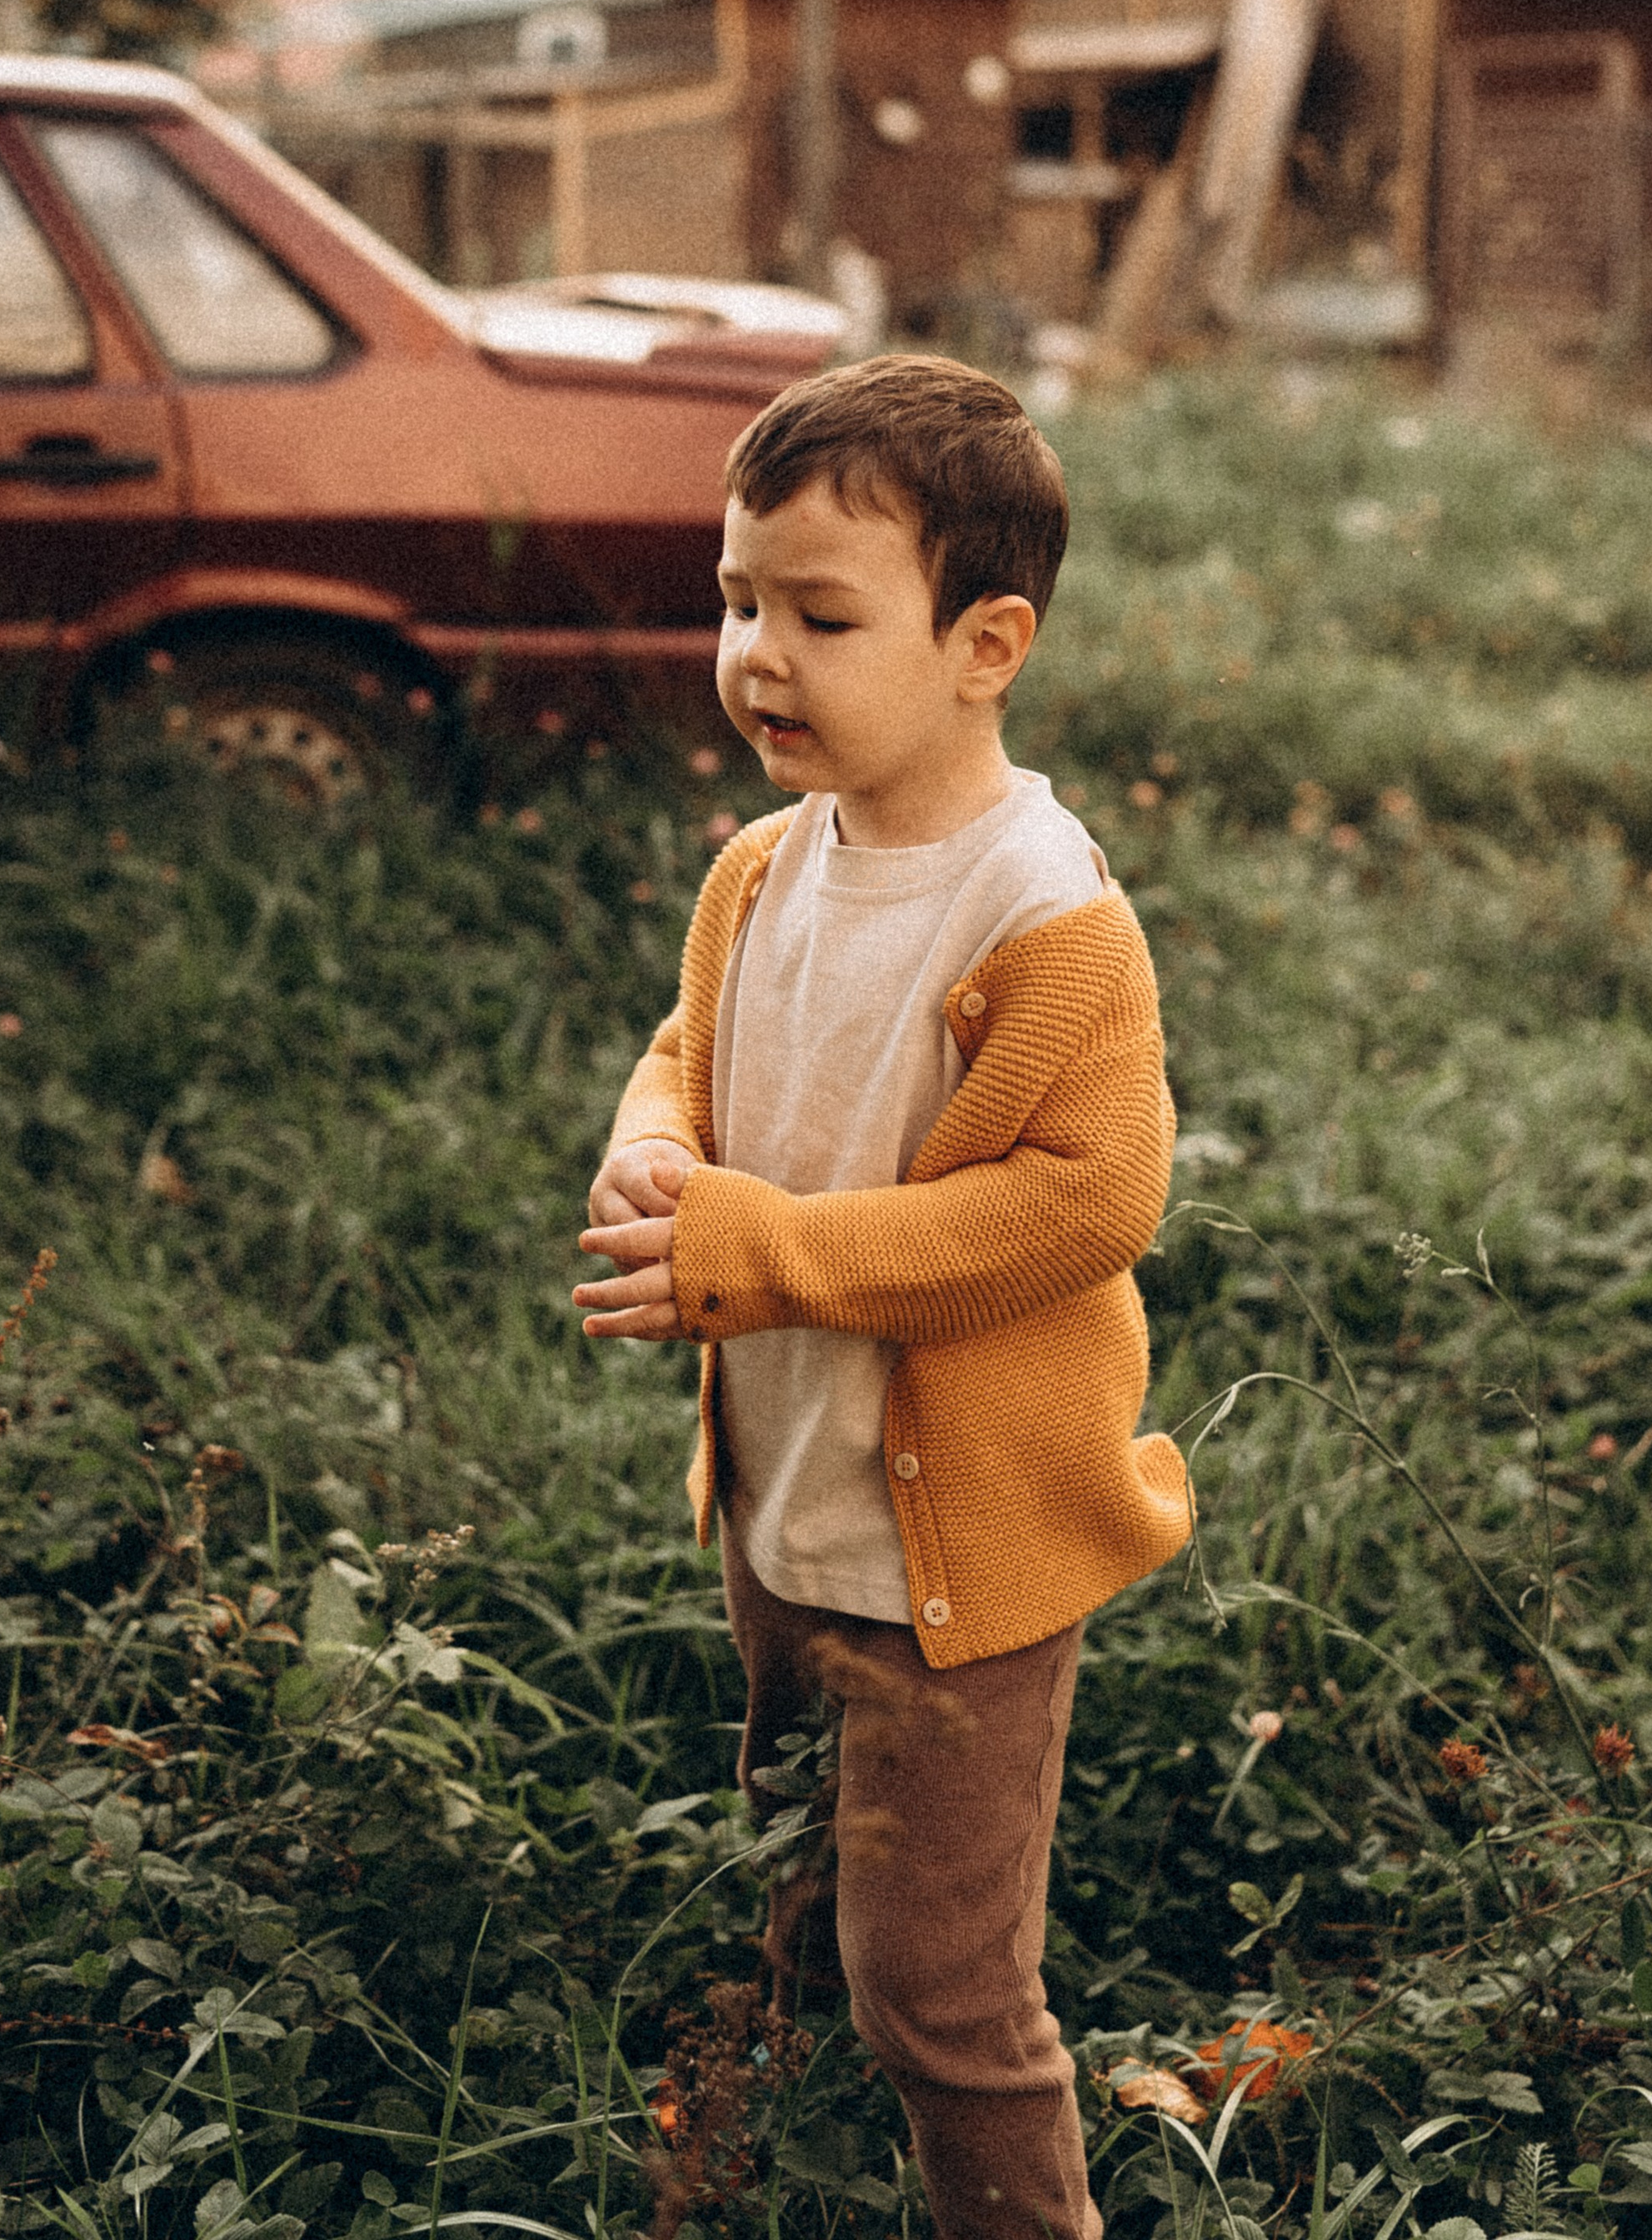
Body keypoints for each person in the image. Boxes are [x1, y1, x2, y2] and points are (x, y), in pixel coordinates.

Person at [573, 355, 1191, 2240]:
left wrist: (768, 1251)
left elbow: (1090, 1201)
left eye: (820, 618)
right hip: (790, 1508)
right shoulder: (762, 869)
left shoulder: (1038, 910)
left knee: (936, 1982)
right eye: (736, 603)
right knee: (795, 1866)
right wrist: (653, 1147)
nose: (758, 657)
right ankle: (786, 2154)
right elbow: (689, 1053)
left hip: (962, 1559)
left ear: (983, 645)